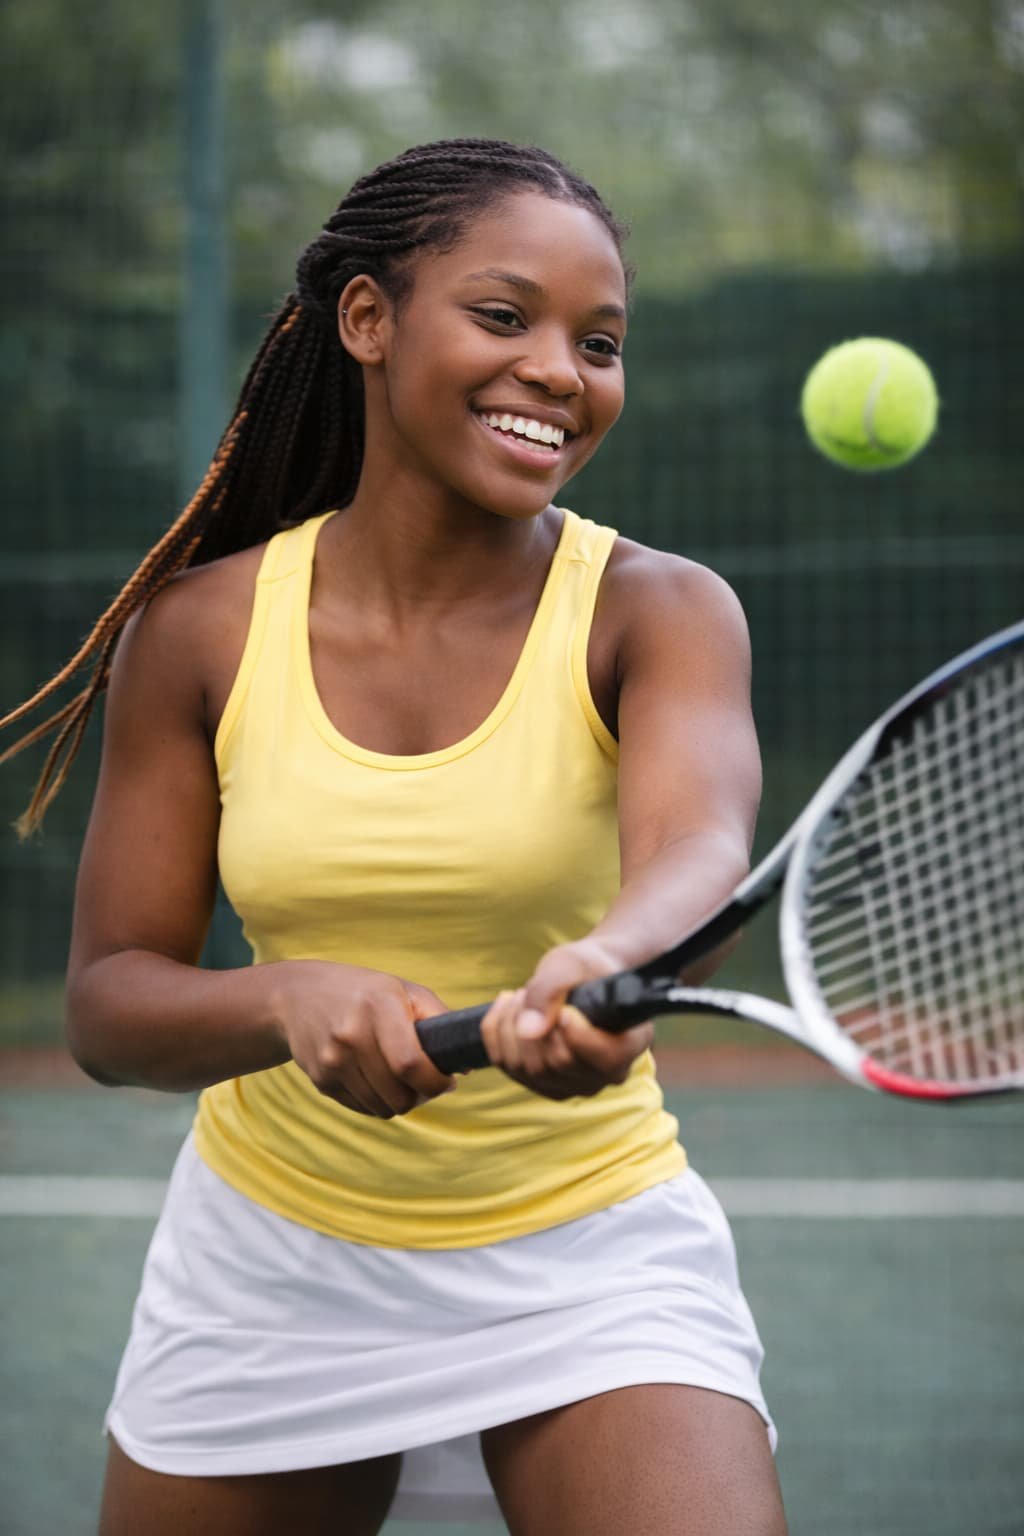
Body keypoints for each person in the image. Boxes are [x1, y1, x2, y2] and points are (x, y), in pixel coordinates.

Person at [1, 138, 786, 1535]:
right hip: (275, 1262)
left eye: (599, 342)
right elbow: (113, 1009)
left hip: (588, 1250)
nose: (560, 369)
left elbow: (699, 845)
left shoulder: (662, 611)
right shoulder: (197, 632)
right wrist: (287, 996)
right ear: (368, 320)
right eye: (504, 316)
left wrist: (609, 953)